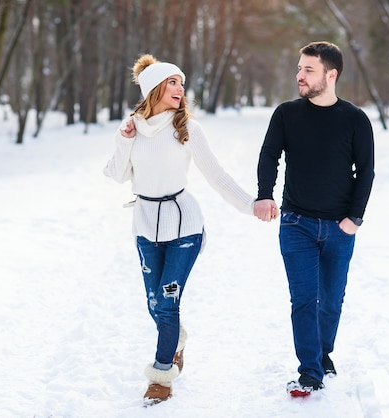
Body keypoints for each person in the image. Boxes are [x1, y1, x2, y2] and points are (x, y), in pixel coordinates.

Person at [103, 54, 256, 406]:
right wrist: (124, 139)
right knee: (154, 302)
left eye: (182, 84)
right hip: (145, 225)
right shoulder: (132, 128)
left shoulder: (187, 128)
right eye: (173, 82)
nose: (180, 89)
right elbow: (115, 174)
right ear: (154, 87)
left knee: (168, 303)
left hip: (184, 226)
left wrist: (251, 205)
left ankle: (161, 376)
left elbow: (217, 176)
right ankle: (176, 342)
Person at [254, 41, 375, 395]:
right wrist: (265, 194)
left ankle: (323, 353)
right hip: (296, 224)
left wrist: (354, 219)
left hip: (340, 227)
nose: (300, 76)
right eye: (299, 68)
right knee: (304, 299)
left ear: (331, 74)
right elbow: (269, 155)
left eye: (308, 69)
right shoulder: (287, 114)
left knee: (332, 299)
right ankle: (310, 372)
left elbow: (365, 172)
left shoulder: (355, 119)